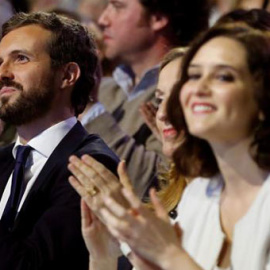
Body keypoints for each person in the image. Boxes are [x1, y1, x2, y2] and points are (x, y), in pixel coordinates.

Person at [70, 24, 270, 269]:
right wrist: (105, 257)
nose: (197, 89)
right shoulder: (199, 196)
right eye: (195, 75)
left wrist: (167, 254)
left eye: (223, 76)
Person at [0, 12, 119, 270]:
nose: (3, 73)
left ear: (67, 75)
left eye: (20, 58)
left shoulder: (91, 165)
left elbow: (28, 267)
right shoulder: (3, 160)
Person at [68, 47, 187, 269]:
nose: (162, 114)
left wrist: (160, 251)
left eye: (180, 98)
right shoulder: (177, 198)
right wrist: (103, 258)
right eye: (160, 100)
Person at [82, 0, 210, 198]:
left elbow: (159, 185)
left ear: (158, 18)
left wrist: (90, 108)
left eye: (118, 6)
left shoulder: (192, 90)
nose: (103, 20)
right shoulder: (105, 87)